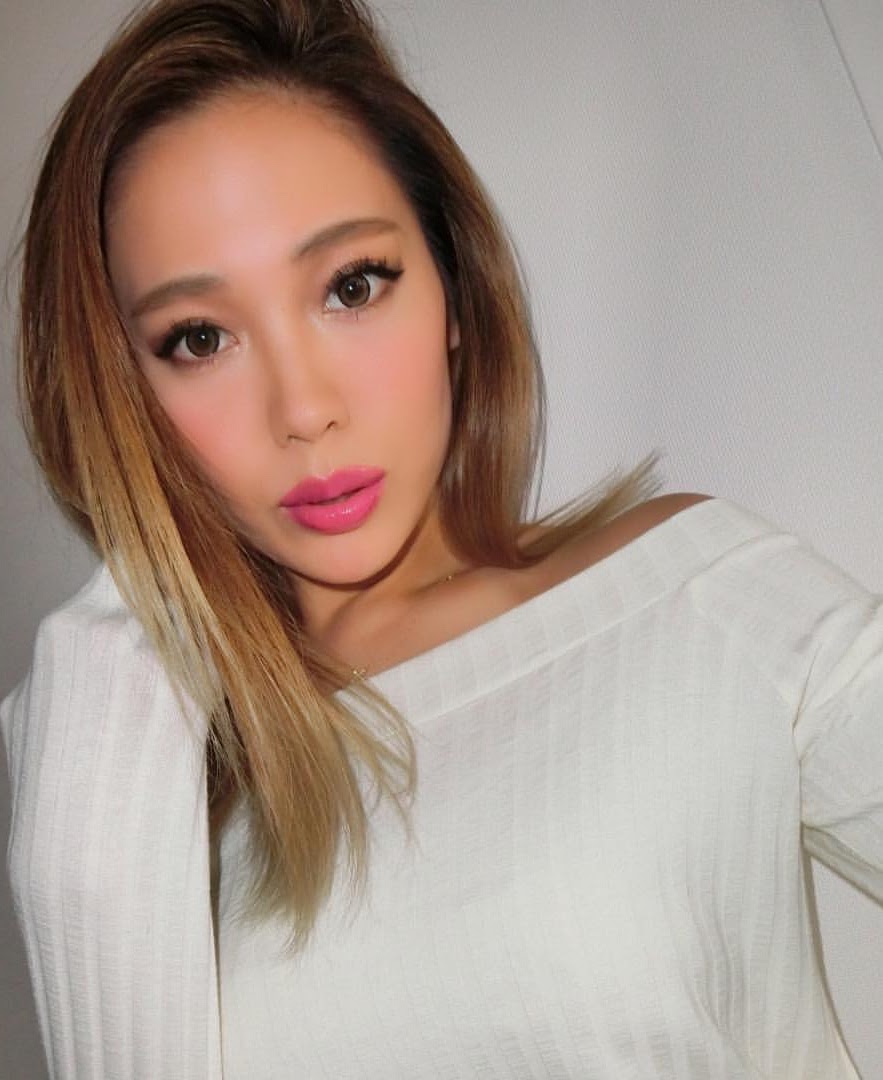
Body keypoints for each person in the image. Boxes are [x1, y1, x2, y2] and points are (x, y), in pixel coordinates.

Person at [1, 0, 880, 1076]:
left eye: (351, 286)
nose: (303, 410)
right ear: (122, 397)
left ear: (453, 289)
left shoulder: (693, 599)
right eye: (198, 338)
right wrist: (91, 768)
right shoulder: (147, 773)